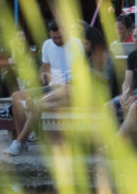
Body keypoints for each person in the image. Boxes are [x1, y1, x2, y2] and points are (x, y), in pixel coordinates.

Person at [5, 21, 82, 155]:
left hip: (70, 89)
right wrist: (44, 75)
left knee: (63, 89)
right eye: (54, 38)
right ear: (50, 34)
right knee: (16, 97)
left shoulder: (76, 44)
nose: (57, 40)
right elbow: (45, 69)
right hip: (52, 88)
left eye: (60, 37)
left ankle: (18, 142)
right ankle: (22, 142)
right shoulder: (47, 45)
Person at [115, 22, 137, 139]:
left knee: (134, 106)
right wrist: (125, 95)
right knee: (108, 107)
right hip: (136, 92)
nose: (136, 40)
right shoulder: (132, 56)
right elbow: (127, 80)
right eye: (134, 36)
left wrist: (136, 96)